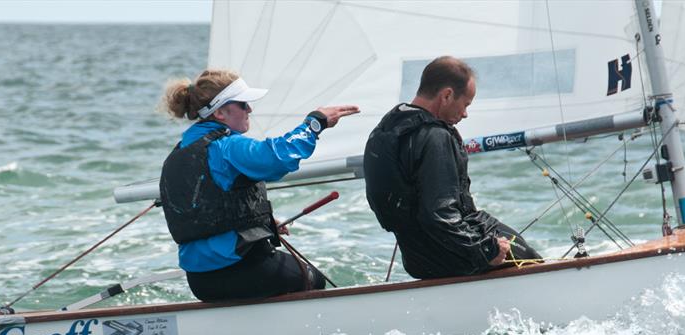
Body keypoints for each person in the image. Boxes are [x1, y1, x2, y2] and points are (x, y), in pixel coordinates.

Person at [160, 69, 359, 301]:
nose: (250, 110)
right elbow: (276, 158)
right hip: (241, 269)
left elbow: (207, 206)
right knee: (314, 278)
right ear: (222, 111)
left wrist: (260, 221)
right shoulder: (226, 147)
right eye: (244, 104)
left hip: (200, 282)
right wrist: (314, 124)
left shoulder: (179, 151)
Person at [363, 56, 541, 279]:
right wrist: (486, 250)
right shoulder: (434, 137)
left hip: (417, 258)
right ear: (446, 95)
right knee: (529, 258)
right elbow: (439, 214)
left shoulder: (386, 128)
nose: (465, 113)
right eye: (465, 104)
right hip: (452, 255)